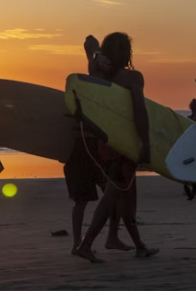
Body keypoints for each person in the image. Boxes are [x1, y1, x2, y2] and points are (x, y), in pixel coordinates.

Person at [73, 33, 159, 263]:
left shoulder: (97, 72)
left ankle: (139, 245)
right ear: (128, 53)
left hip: (106, 141)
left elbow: (89, 47)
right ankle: (87, 244)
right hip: (125, 144)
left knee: (126, 195)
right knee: (113, 195)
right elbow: (140, 111)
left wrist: (94, 53)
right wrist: (146, 143)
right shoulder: (133, 78)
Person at [64, 40, 135, 256]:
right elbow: (89, 41)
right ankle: (77, 243)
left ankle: (112, 237)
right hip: (82, 148)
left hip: (102, 148)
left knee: (113, 197)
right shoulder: (87, 83)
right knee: (82, 200)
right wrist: (95, 54)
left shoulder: (111, 85)